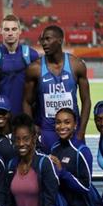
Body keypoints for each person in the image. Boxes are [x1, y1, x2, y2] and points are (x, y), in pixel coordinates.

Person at [22, 25, 91, 153]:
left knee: (75, 164)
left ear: (60, 40)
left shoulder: (77, 65)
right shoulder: (34, 69)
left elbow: (86, 100)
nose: (43, 43)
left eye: (48, 39)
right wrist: (32, 127)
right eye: (42, 40)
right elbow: (26, 102)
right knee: (48, 165)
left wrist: (81, 131)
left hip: (73, 131)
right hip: (47, 131)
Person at [0, 15, 39, 115]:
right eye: (6, 29)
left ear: (20, 31)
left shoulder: (32, 55)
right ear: (1, 31)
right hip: (2, 115)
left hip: (26, 115)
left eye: (14, 29)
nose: (10, 33)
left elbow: (39, 89)